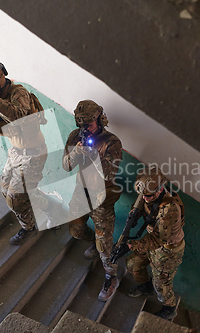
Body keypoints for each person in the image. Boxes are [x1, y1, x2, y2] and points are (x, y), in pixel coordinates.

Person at [0, 58, 54, 245]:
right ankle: (50, 207)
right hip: (16, 151)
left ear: (2, 76)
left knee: (16, 199)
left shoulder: (19, 92)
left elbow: (18, 116)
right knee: (5, 189)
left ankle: (29, 227)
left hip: (34, 152)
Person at [62, 100, 123, 301]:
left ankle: (111, 276)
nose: (84, 129)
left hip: (102, 198)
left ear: (99, 119)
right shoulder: (75, 136)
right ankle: (93, 243)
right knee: (76, 229)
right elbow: (66, 166)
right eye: (81, 125)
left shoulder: (111, 142)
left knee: (105, 245)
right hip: (82, 193)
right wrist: (75, 154)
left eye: (88, 124)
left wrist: (93, 156)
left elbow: (109, 174)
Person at [124, 166, 186, 321]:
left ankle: (170, 308)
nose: (144, 198)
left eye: (149, 196)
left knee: (162, 285)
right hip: (152, 242)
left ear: (160, 189)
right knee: (132, 264)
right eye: (142, 195)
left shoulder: (169, 210)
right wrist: (134, 214)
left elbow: (158, 240)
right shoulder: (146, 193)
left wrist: (132, 245)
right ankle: (146, 286)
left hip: (168, 251)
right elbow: (140, 204)